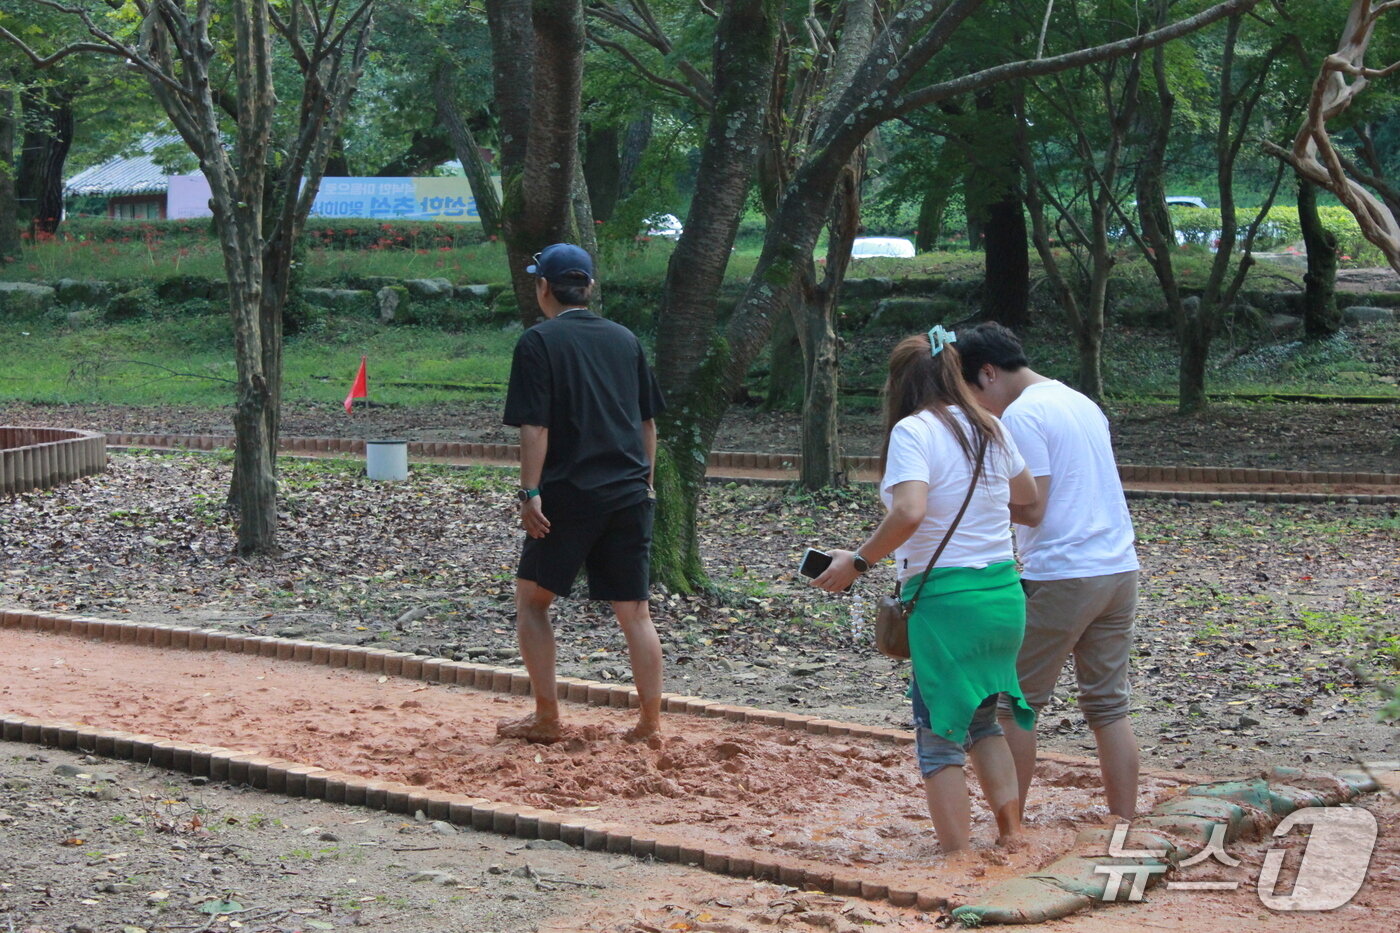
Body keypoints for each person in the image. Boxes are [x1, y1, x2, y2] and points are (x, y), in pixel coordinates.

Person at [812, 326, 1039, 858]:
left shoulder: (914, 431)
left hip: (948, 603)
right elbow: (1027, 496)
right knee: (983, 721)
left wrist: (859, 561)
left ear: (900, 384)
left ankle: (957, 858)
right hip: (1003, 595)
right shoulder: (989, 426)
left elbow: (910, 511)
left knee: (938, 737)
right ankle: (1012, 836)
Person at [956, 322, 1141, 819]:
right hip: (1118, 569)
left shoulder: (1023, 414)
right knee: (1108, 706)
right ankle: (1124, 820)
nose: (979, 407)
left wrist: (967, 501)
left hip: (1064, 574)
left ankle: (1010, 828)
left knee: (1013, 704)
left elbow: (1032, 507)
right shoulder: (1079, 401)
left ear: (988, 373)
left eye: (972, 393)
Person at [498, 243, 667, 744]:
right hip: (630, 492)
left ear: (542, 287)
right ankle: (650, 725)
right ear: (588, 286)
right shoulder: (625, 339)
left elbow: (535, 427)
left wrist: (530, 492)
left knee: (532, 601)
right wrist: (646, 483)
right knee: (635, 612)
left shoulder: (538, 341)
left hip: (569, 495)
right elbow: (647, 423)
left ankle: (547, 717)